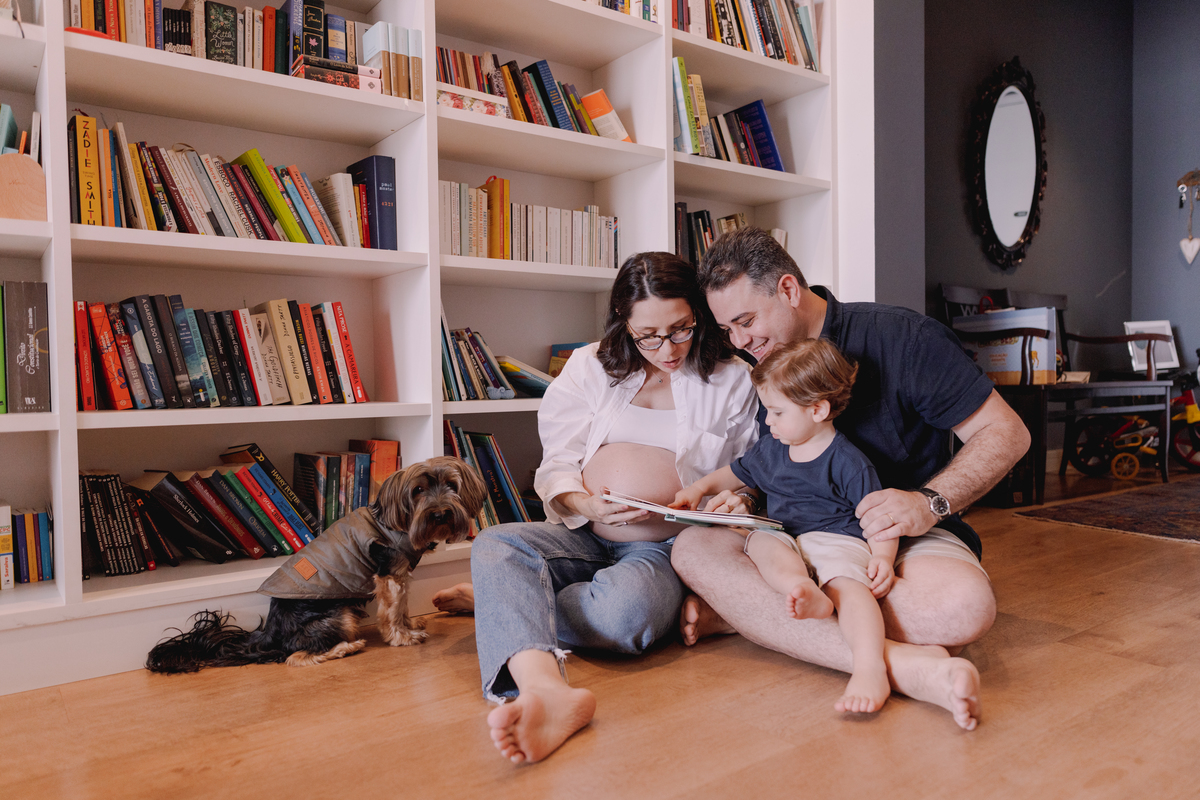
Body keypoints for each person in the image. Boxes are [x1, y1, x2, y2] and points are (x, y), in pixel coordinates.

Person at [671, 227, 1031, 731]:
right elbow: (769, 462)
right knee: (691, 548)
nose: (740, 342)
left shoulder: (905, 338)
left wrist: (928, 503)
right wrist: (741, 496)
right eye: (728, 330)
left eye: (746, 321)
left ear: (790, 290)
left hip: (895, 542)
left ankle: (743, 618)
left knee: (964, 609)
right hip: (797, 540)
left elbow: (1007, 433)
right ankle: (908, 667)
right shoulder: (768, 361)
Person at [473, 252, 759, 764]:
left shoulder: (732, 378)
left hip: (663, 547)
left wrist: (732, 497)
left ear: (699, 313)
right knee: (496, 543)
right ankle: (546, 691)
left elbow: (752, 472)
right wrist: (585, 502)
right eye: (648, 335)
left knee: (624, 618)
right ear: (624, 324)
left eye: (680, 329)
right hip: (584, 532)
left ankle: (508, 604)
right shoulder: (589, 365)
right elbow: (556, 463)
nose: (666, 348)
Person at [672, 338, 897, 714]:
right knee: (761, 545)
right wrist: (698, 488)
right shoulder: (773, 448)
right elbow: (734, 472)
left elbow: (878, 518)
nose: (768, 421)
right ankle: (801, 587)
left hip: (836, 539)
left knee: (851, 588)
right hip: (785, 535)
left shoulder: (848, 462)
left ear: (817, 410)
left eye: (776, 412)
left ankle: (869, 667)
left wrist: (885, 558)